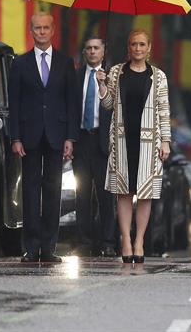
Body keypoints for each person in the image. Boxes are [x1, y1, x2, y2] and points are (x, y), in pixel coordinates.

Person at [8, 12, 79, 263]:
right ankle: (31, 247)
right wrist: (14, 137)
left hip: (57, 134)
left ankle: (49, 247)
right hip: (28, 135)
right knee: (29, 191)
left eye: (45, 28)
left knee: (53, 191)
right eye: (37, 28)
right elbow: (13, 103)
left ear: (53, 30)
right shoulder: (20, 63)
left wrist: (71, 137)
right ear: (31, 30)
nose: (41, 32)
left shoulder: (65, 63)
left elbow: (72, 103)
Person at [96, 29, 171, 264]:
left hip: (148, 141)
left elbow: (164, 111)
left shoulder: (158, 77)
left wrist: (166, 141)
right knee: (124, 192)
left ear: (149, 48)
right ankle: (126, 240)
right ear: (128, 48)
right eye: (133, 45)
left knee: (146, 193)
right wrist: (101, 85)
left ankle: (139, 241)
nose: (137, 49)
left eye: (141, 45)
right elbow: (108, 105)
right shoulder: (117, 72)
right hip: (122, 139)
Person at [73, 37, 116, 257]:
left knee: (106, 194)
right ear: (84, 52)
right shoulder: (76, 75)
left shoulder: (113, 76)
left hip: (104, 141)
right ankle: (84, 241)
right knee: (82, 194)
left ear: (103, 51)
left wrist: (104, 84)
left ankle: (108, 241)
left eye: (96, 48)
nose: (92, 52)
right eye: (88, 48)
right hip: (81, 140)